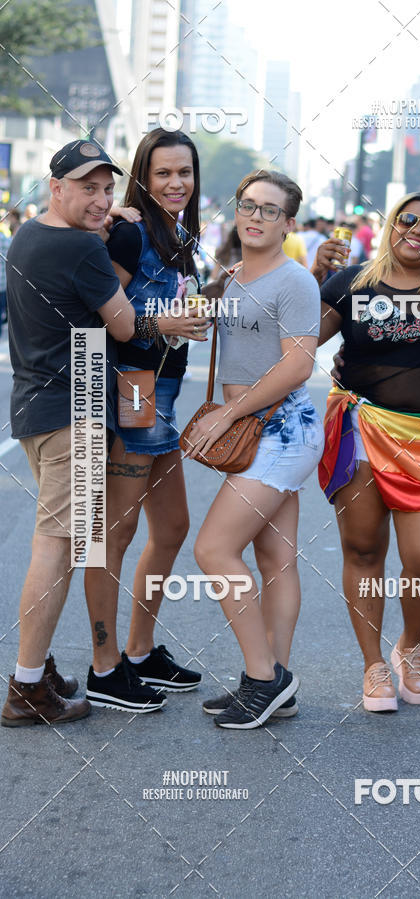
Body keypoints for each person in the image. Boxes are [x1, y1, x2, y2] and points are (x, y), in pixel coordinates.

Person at [1, 138, 135, 726]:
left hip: (36, 408)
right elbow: (125, 326)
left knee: (60, 542)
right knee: (56, 548)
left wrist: (100, 228)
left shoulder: (29, 235)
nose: (102, 199)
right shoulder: (84, 249)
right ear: (57, 187)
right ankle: (27, 687)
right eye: (88, 188)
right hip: (75, 408)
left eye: (108, 188)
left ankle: (38, 664)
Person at [316, 194, 420, 712]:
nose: (417, 231)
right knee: (363, 551)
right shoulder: (351, 283)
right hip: (361, 431)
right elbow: (298, 342)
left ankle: (411, 647)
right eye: (408, 220)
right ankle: (373, 663)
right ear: (391, 224)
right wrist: (311, 279)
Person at [187, 169, 323, 729]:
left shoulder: (295, 282)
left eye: (270, 210)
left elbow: (299, 364)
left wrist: (229, 413)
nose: (256, 217)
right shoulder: (234, 276)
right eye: (248, 205)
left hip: (281, 430)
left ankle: (264, 678)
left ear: (289, 222)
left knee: (213, 551)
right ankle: (276, 684)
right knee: (275, 559)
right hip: (256, 429)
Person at [84, 128, 210, 712]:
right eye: (163, 173)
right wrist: (168, 325)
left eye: (183, 172)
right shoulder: (132, 234)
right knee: (117, 532)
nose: (175, 183)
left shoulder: (182, 233)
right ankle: (104, 669)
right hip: (132, 390)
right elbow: (106, 312)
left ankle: (139, 651)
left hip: (164, 392)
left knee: (174, 527)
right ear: (144, 177)